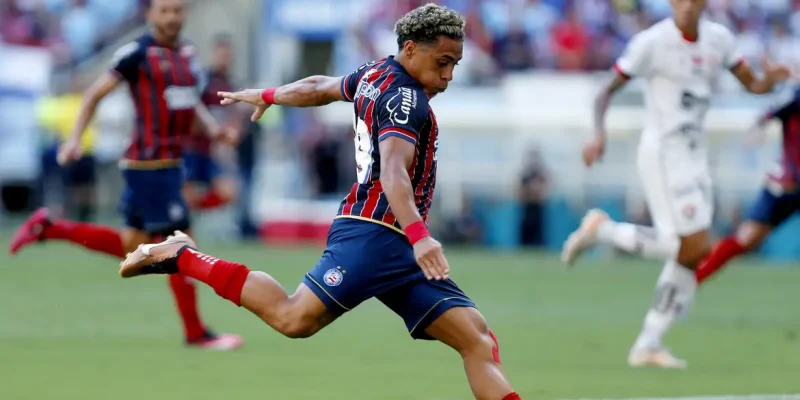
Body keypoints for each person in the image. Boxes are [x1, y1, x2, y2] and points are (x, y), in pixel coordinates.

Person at [120, 4, 522, 400]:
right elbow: (393, 173)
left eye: (455, 64)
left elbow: (318, 88)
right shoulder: (406, 101)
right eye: (443, 62)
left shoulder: (375, 72)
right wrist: (420, 237)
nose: (449, 75)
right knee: (294, 317)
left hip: (396, 243)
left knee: (476, 339)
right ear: (412, 49)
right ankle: (182, 255)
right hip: (376, 236)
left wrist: (270, 95)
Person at [560, 0, 791, 368]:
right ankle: (602, 231)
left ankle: (648, 343)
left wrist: (769, 82)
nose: (684, 6)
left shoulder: (720, 40)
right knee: (691, 245)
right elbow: (606, 90)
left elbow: (753, 85)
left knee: (691, 251)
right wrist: (597, 134)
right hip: (664, 154)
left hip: (695, 156)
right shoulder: (652, 42)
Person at [8, 0, 243, 350]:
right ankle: (196, 333)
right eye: (164, 10)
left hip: (168, 163)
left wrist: (213, 130)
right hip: (150, 166)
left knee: (130, 246)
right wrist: (74, 140)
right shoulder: (136, 54)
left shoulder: (188, 54)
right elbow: (94, 94)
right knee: (181, 246)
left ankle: (50, 227)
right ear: (149, 14)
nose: (172, 17)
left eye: (177, 10)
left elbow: (188, 102)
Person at [694, 86, 800, 284]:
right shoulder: (796, 94)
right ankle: (690, 280)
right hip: (788, 185)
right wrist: (759, 128)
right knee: (746, 238)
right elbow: (768, 114)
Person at [183, 34, 241, 212]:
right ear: (214, 55)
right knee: (186, 195)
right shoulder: (203, 79)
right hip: (192, 147)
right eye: (221, 55)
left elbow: (232, 116)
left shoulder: (230, 84)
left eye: (227, 56)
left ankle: (192, 210)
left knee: (229, 191)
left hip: (212, 151)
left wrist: (233, 131)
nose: (224, 60)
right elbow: (191, 108)